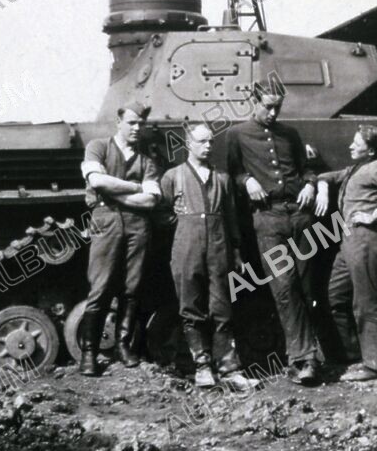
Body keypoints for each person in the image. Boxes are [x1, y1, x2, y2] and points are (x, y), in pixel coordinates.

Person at [226, 90, 323, 386]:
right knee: (284, 286)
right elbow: (231, 174)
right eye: (268, 107)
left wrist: (310, 184)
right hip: (268, 218)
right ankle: (303, 360)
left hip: (300, 213)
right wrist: (247, 180)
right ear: (254, 103)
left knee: (306, 286)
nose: (273, 113)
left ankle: (312, 354)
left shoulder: (290, 134)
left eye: (277, 107)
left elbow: (306, 167)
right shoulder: (237, 134)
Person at [159, 124, 252, 389]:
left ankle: (229, 368)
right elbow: (162, 212)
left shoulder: (221, 178)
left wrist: (235, 250)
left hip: (219, 248)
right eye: (202, 141)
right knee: (191, 307)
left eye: (211, 141)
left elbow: (232, 216)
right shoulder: (173, 176)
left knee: (222, 308)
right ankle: (201, 366)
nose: (208, 146)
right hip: (186, 248)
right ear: (189, 143)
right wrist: (181, 227)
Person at [79, 102, 161, 376]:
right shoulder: (98, 146)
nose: (137, 129)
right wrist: (134, 187)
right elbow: (97, 181)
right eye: (131, 123)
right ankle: (89, 351)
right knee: (100, 288)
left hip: (138, 226)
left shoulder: (147, 160)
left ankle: (123, 346)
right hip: (107, 223)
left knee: (132, 287)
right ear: (119, 122)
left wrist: (114, 191)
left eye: (141, 124)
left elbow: (150, 200)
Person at [317, 124, 377, 382]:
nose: (351, 146)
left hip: (366, 239)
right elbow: (330, 176)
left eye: (357, 143)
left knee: (366, 302)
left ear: (371, 150)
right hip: (349, 241)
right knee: (335, 296)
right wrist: (320, 184)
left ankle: (376, 364)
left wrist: (374, 213)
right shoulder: (356, 168)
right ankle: (353, 353)